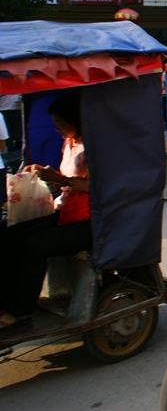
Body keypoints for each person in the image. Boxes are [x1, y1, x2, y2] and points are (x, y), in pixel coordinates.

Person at [0, 95, 92, 330]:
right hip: (66, 210)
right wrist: (44, 173)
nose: (57, 129)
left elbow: (93, 185)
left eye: (61, 123)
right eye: (55, 124)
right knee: (12, 235)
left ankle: (20, 310)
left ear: (76, 120)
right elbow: (66, 180)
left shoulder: (92, 146)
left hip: (89, 220)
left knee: (34, 246)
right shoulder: (69, 143)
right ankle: (5, 300)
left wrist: (60, 179)